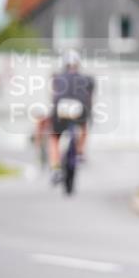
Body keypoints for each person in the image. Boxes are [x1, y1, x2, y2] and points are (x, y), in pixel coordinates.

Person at [48, 48, 95, 182]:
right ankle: (80, 153)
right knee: (83, 128)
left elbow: (53, 97)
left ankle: (55, 168)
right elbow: (89, 98)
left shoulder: (56, 77)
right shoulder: (87, 79)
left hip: (61, 108)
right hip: (79, 109)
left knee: (54, 138)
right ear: (78, 64)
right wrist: (90, 114)